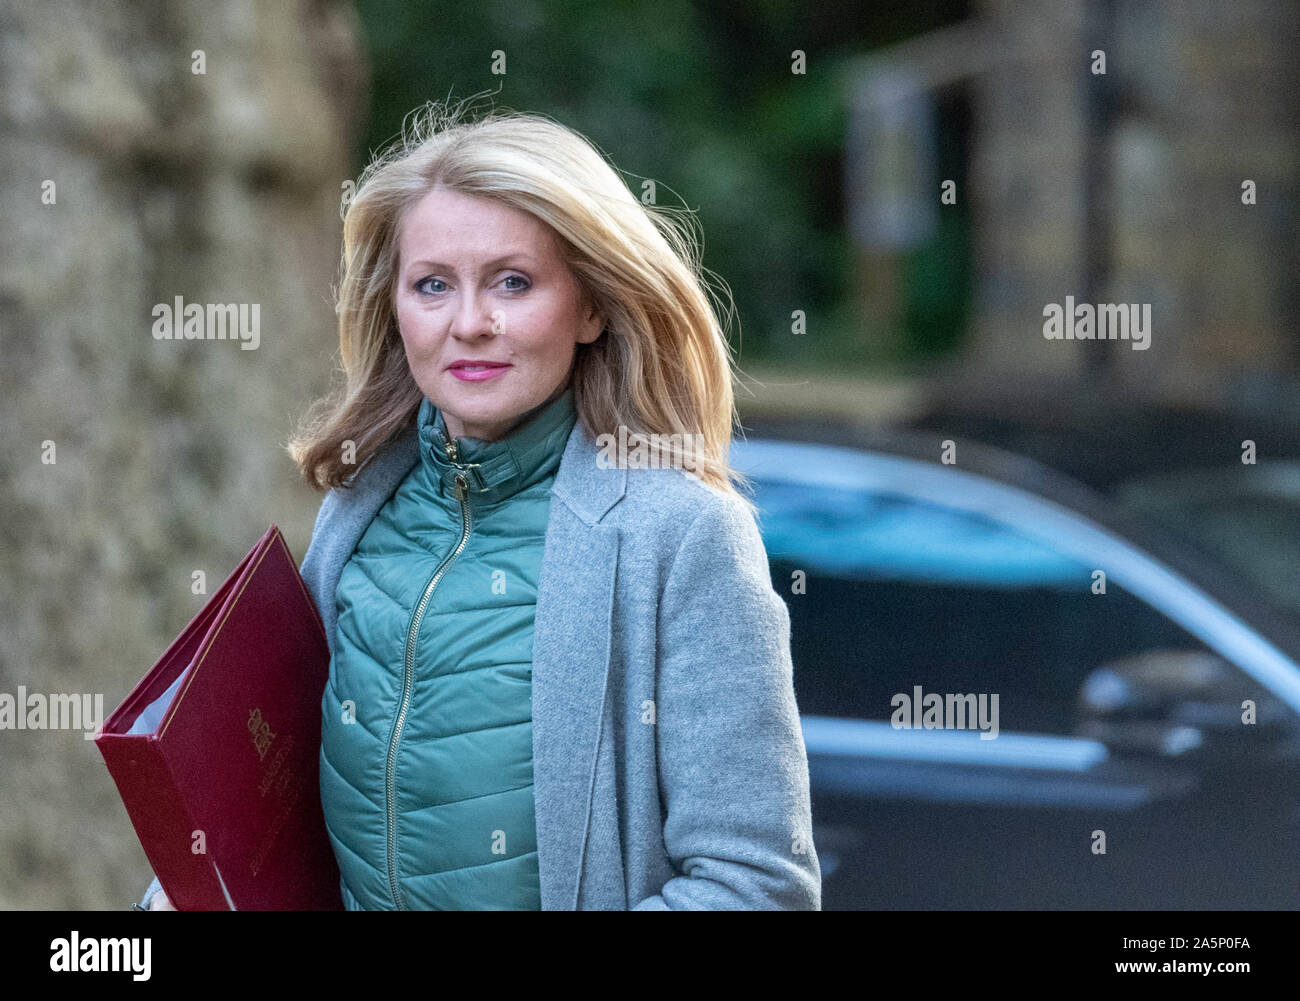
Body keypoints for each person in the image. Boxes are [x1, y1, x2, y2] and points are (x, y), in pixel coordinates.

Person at [141, 99, 820, 910]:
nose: (471, 323)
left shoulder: (683, 538)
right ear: (394, 307)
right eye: (432, 285)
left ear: (593, 306)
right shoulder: (358, 509)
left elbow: (755, 885)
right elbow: (263, 820)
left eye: (513, 281)